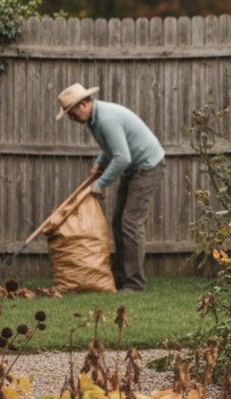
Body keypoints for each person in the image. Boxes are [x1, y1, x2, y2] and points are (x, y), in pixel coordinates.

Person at [56, 83, 165, 291]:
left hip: (147, 166)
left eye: (72, 113)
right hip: (134, 166)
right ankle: (119, 276)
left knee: (131, 224)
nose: (72, 119)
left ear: (85, 104)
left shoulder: (105, 119)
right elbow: (113, 147)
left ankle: (134, 283)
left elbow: (122, 157)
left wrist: (100, 184)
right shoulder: (95, 120)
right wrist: (100, 161)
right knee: (117, 222)